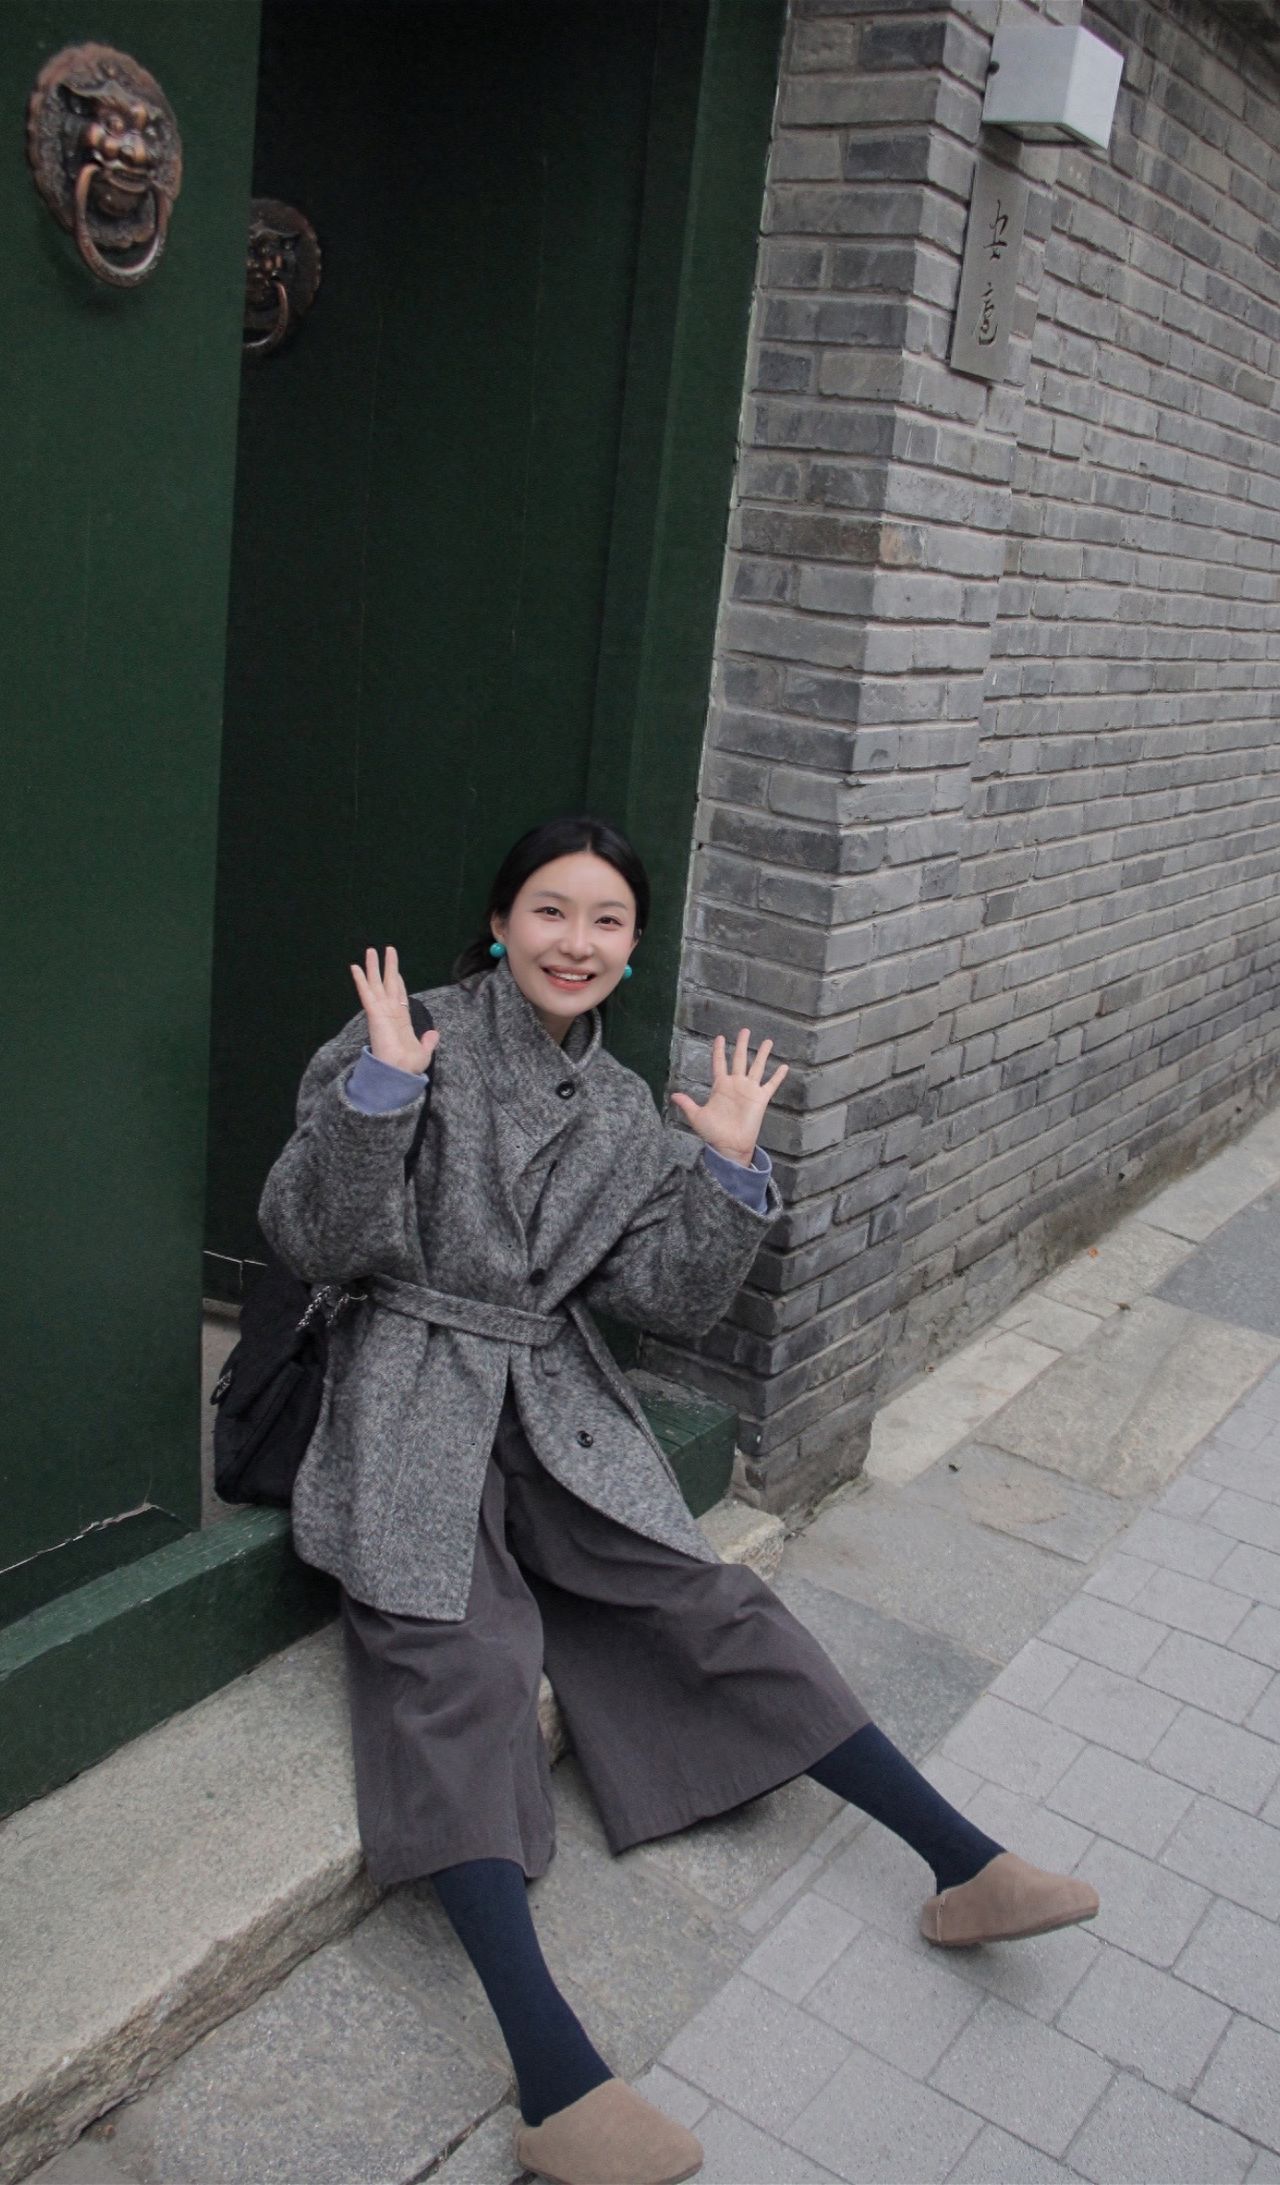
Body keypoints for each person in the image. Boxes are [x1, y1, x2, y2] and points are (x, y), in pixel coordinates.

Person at [259, 815, 1098, 2185]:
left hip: (552, 1405)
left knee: (707, 1600)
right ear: (499, 923)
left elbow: (665, 1299)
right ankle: (556, 2080)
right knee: (457, 1662)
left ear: (635, 946)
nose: (575, 942)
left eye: (607, 921)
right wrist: (381, 1097)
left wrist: (725, 1172)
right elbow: (307, 1236)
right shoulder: (406, 1035)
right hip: (406, 1396)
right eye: (550, 910)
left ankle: (963, 1863)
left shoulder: (621, 1107)